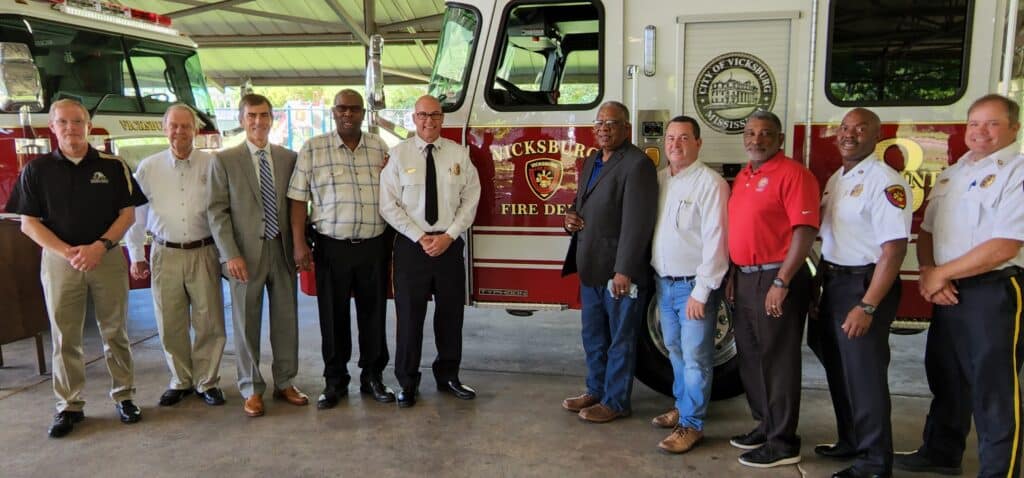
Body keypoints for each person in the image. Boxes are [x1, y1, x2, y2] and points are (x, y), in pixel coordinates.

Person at [896, 94, 1024, 478]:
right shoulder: (954, 172)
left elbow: (1005, 244)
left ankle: (999, 471)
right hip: (949, 290)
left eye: (992, 124)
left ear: (1013, 129)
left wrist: (940, 273)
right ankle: (942, 452)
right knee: (946, 375)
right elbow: (929, 231)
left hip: (992, 290)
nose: (980, 132)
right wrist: (929, 274)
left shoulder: (1016, 171)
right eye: (974, 123)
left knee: (994, 390)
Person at [6, 98, 146, 437]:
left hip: (107, 257)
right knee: (65, 334)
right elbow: (29, 223)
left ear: (88, 126)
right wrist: (70, 253)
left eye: (77, 121)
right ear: (53, 128)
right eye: (63, 122)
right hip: (60, 261)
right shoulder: (36, 171)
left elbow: (128, 214)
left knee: (115, 331)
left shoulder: (113, 166)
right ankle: (69, 405)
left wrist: (100, 247)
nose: (71, 128)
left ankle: (124, 396)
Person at [813, 108, 911, 478]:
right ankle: (851, 440)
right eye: (844, 128)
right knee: (839, 368)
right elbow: (831, 239)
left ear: (876, 134)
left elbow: (894, 250)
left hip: (865, 286)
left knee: (865, 375)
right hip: (835, 281)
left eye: (859, 128)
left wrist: (867, 305)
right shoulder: (838, 178)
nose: (849, 134)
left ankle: (874, 462)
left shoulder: (885, 182)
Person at [287, 89, 395, 409]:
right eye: (341, 109)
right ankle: (334, 382)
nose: (347, 114)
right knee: (332, 317)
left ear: (363, 114)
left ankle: (373, 377)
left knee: (373, 314)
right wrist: (298, 244)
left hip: (374, 245)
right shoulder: (313, 149)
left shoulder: (379, 147)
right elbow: (297, 199)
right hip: (331, 247)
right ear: (333, 113)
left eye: (354, 109)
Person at [726, 110, 819, 467]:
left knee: (777, 359)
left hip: (777, 277)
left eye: (766, 133)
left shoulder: (794, 174)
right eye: (750, 133)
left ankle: (783, 442)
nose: (756, 139)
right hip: (747, 276)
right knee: (750, 356)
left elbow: (805, 230)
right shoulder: (745, 176)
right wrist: (736, 273)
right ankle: (765, 425)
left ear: (780, 139)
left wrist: (782, 280)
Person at [379, 95, 481, 408]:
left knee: (451, 316)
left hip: (449, 246)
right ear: (414, 118)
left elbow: (470, 200)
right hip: (412, 248)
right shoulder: (398, 156)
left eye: (435, 115)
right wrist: (420, 236)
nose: (429, 121)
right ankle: (407, 382)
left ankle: (448, 376)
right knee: (409, 318)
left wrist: (449, 236)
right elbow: (388, 204)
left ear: (442, 118)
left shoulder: (459, 155)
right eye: (423, 115)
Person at [208, 94, 306, 417]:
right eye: (251, 115)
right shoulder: (224, 160)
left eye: (264, 115)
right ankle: (251, 388)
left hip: (281, 249)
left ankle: (285, 381)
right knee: (246, 321)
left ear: (272, 118)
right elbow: (217, 213)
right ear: (241, 119)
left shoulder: (288, 158)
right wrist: (230, 254)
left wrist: (299, 243)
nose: (258, 122)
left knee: (286, 319)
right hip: (244, 257)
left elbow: (297, 205)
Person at [560, 101, 658, 423]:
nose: (603, 128)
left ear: (626, 128)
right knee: (594, 337)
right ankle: (595, 390)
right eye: (599, 122)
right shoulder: (591, 160)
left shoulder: (638, 164)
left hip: (618, 273)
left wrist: (624, 270)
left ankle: (616, 402)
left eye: (611, 123)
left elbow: (637, 223)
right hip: (590, 268)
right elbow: (579, 204)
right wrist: (569, 218)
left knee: (620, 340)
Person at [126, 104, 227, 408]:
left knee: (209, 319)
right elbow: (136, 215)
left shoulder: (212, 165)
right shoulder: (148, 167)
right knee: (170, 320)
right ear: (164, 128)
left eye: (186, 126)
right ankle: (180, 380)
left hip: (204, 251)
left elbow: (224, 212)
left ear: (195, 130)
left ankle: (207, 381)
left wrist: (225, 255)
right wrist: (136, 256)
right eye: (174, 126)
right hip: (164, 253)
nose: (180, 132)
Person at [648, 116, 729, 451]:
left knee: (696, 357)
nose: (675, 144)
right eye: (670, 138)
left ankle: (692, 425)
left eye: (683, 138)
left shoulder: (711, 184)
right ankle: (682, 407)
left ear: (698, 143)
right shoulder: (659, 180)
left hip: (693, 286)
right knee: (676, 350)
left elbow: (716, 242)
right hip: (663, 285)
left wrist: (702, 291)